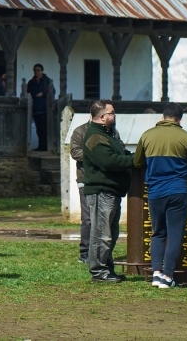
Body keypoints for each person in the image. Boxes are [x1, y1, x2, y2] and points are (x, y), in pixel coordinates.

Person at [134, 103, 187, 288]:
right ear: (179, 119)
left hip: (155, 191)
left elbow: (138, 162)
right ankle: (167, 277)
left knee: (157, 233)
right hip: (177, 191)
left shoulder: (147, 135)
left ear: (162, 117)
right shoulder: (185, 137)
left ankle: (156, 274)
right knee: (174, 235)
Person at [82, 99, 133, 283]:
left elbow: (121, 154)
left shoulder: (108, 134)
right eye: (112, 113)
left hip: (112, 192)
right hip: (101, 192)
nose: (114, 115)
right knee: (101, 234)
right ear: (102, 117)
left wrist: (133, 157)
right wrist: (135, 161)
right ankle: (98, 272)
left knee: (110, 233)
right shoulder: (95, 137)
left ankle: (107, 268)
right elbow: (109, 162)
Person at [27, 64, 52, 151]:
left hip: (44, 108)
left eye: (38, 70)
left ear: (42, 71)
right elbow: (28, 93)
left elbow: (52, 92)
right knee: (38, 129)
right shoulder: (31, 82)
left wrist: (43, 94)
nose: (36, 72)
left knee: (44, 128)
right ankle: (40, 146)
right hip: (35, 108)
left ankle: (45, 146)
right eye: (35, 70)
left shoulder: (47, 81)